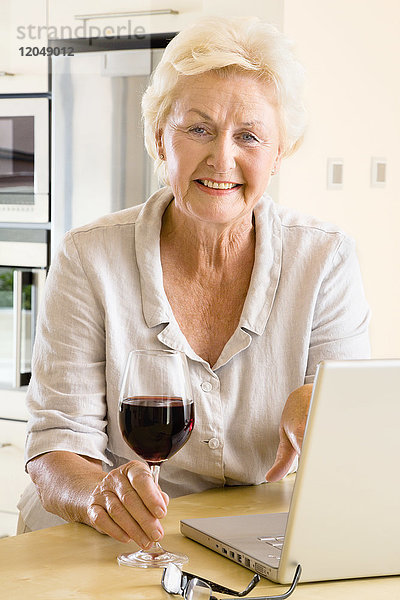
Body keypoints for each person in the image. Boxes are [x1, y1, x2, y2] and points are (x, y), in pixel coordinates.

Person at [18, 16, 370, 548]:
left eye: (249, 136)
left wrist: (322, 412)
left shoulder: (325, 259)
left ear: (279, 153)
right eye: (198, 128)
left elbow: (354, 432)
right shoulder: (88, 257)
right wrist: (99, 495)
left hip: (254, 535)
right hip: (106, 538)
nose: (221, 159)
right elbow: (56, 444)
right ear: (161, 138)